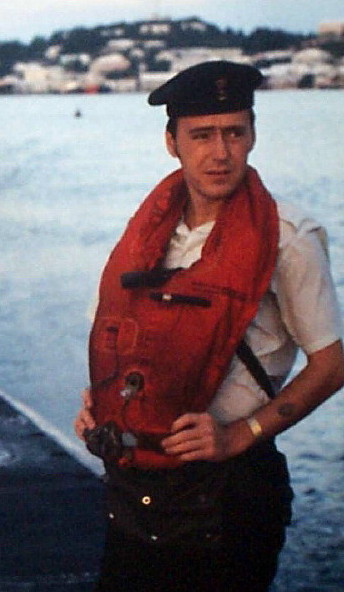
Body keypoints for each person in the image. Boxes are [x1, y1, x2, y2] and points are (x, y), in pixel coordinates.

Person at [73, 61, 343, 592]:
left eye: (235, 133)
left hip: (230, 494)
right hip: (136, 487)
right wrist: (98, 404)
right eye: (202, 135)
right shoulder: (148, 235)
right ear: (172, 142)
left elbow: (332, 364)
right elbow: (119, 336)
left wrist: (242, 434)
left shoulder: (288, 237)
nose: (220, 152)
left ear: (252, 136)